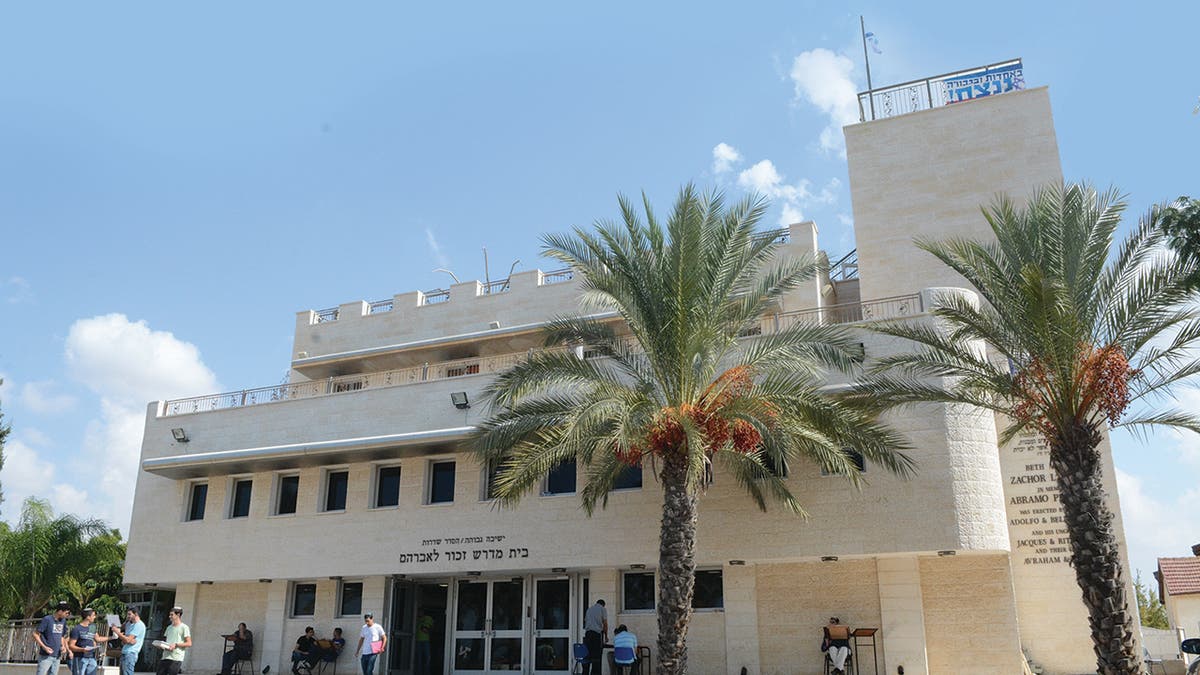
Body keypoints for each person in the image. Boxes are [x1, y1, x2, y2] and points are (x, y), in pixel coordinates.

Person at [34, 601, 73, 675]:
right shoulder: (47, 619)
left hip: (57, 655)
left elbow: (62, 636)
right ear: (60, 611)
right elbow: (36, 634)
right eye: (66, 613)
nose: (67, 615)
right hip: (46, 655)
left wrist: (63, 646)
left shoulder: (63, 621)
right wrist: (44, 647)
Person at [68, 608, 111, 675]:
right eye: (93, 615)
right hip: (80, 657)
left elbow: (98, 639)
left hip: (91, 657)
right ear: (88, 617)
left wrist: (111, 637)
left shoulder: (92, 627)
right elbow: (71, 645)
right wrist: (82, 649)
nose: (94, 617)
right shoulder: (77, 629)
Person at [110, 607, 145, 675]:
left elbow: (128, 640)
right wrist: (115, 625)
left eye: (129, 614)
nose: (128, 616)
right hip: (125, 652)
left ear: (136, 614)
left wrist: (118, 633)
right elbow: (120, 628)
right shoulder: (129, 623)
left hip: (131, 654)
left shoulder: (139, 625)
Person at [156, 606, 191, 675]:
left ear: (178, 615)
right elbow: (167, 642)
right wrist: (161, 646)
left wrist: (176, 644)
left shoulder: (184, 627)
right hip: (165, 657)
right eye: (170, 615)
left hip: (176, 658)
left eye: (172, 615)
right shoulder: (169, 628)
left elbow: (189, 643)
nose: (170, 616)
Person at [582, 599, 607, 675]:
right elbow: (605, 624)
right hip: (596, 635)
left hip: (588, 635)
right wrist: (606, 636)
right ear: (603, 604)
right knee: (596, 657)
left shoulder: (589, 609)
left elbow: (586, 621)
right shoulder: (603, 609)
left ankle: (585, 673)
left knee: (587, 656)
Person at [414, 609, 433, 675]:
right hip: (418, 641)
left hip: (426, 641)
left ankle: (426, 673)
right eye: (419, 612)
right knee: (419, 659)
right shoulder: (415, 619)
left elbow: (429, 629)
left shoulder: (428, 618)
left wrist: (425, 629)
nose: (419, 613)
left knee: (427, 658)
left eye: (421, 612)